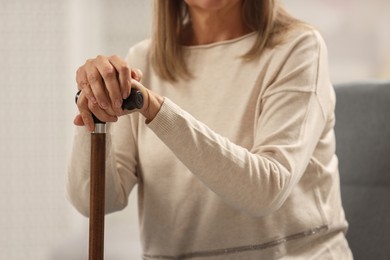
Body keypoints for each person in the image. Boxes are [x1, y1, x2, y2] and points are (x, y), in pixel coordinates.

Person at [67, 0, 353, 259]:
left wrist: (154, 108)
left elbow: (266, 191)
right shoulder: (143, 61)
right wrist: (95, 110)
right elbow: (96, 203)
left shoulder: (298, 48)